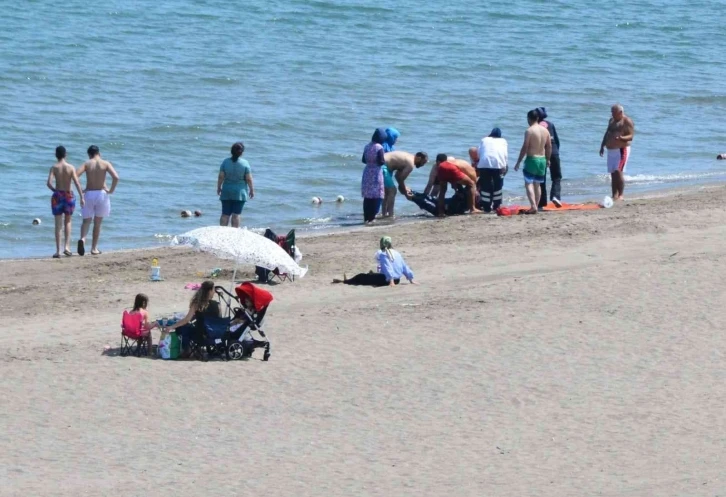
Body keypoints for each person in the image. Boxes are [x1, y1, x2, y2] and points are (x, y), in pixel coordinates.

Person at [77, 145, 119, 256]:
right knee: (98, 222)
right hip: (101, 194)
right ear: (99, 153)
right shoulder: (105, 163)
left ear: (89, 154)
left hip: (89, 193)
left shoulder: (87, 164)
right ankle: (94, 248)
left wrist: (81, 190)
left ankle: (82, 239)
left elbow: (75, 175)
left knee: (86, 221)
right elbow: (116, 177)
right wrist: (111, 190)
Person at [46, 146, 84, 258]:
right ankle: (67, 247)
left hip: (58, 195)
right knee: (68, 221)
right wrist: (82, 197)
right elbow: (77, 183)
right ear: (65, 155)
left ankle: (58, 251)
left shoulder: (54, 167)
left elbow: (48, 183)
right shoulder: (70, 167)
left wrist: (55, 191)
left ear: (56, 155)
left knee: (58, 224)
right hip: (69, 195)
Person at [332, 236, 415, 287]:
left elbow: (387, 267)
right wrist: (411, 279)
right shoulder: (397, 253)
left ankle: (345, 281)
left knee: (361, 276)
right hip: (398, 280)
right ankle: (368, 275)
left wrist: (391, 281)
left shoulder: (383, 254)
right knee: (371, 275)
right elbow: (405, 267)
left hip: (387, 280)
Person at [165, 281, 221, 355]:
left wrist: (172, 326)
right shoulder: (217, 305)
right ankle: (195, 349)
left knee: (184, 327)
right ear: (210, 291)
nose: (214, 292)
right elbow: (218, 320)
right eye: (214, 289)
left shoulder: (197, 304)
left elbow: (186, 320)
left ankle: (186, 350)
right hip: (213, 334)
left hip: (200, 335)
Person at [514, 110, 552, 214]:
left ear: (529, 119)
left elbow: (525, 147)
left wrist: (518, 162)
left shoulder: (529, 131)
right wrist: (548, 159)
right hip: (542, 160)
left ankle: (533, 206)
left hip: (532, 159)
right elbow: (549, 146)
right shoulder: (545, 131)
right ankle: (536, 205)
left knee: (528, 183)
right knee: (537, 184)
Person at [599, 103, 635, 201]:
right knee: (613, 173)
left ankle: (621, 195)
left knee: (618, 171)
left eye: (614, 112)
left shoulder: (627, 121)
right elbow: (607, 133)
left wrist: (621, 138)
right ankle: (614, 194)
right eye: (611, 112)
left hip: (621, 149)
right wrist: (602, 145)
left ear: (620, 112)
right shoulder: (611, 121)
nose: (612, 114)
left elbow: (631, 136)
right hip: (610, 150)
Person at [218, 142, 254, 228]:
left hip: (226, 191)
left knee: (225, 214)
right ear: (241, 152)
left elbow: (221, 177)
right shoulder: (245, 163)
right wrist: (252, 190)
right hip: (239, 193)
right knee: (236, 215)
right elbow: (248, 179)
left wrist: (219, 187)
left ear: (231, 151)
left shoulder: (225, 162)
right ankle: (234, 234)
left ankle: (222, 232)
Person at [474, 128, 508, 213]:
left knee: (485, 186)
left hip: (484, 165)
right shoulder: (503, 141)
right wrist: (504, 166)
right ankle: (496, 206)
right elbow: (505, 155)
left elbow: (479, 153)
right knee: (498, 186)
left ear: (491, 134)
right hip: (498, 165)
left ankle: (486, 207)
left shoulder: (484, 139)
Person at [535, 107, 563, 208]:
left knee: (541, 177)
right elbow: (557, 140)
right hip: (554, 152)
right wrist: (556, 152)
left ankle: (542, 202)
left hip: (541, 153)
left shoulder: (536, 126)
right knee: (556, 176)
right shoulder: (550, 124)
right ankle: (556, 196)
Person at [361, 128, 386, 223]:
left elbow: (363, 160)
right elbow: (381, 161)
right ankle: (372, 217)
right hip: (376, 172)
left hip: (367, 172)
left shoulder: (367, 146)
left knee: (367, 196)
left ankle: (366, 217)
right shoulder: (379, 147)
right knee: (375, 195)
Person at [381, 127, 400, 217]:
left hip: (389, 171)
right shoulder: (384, 146)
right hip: (384, 170)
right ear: (391, 137)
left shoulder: (391, 147)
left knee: (386, 192)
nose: (396, 140)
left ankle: (384, 213)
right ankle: (390, 213)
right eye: (395, 137)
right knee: (392, 190)